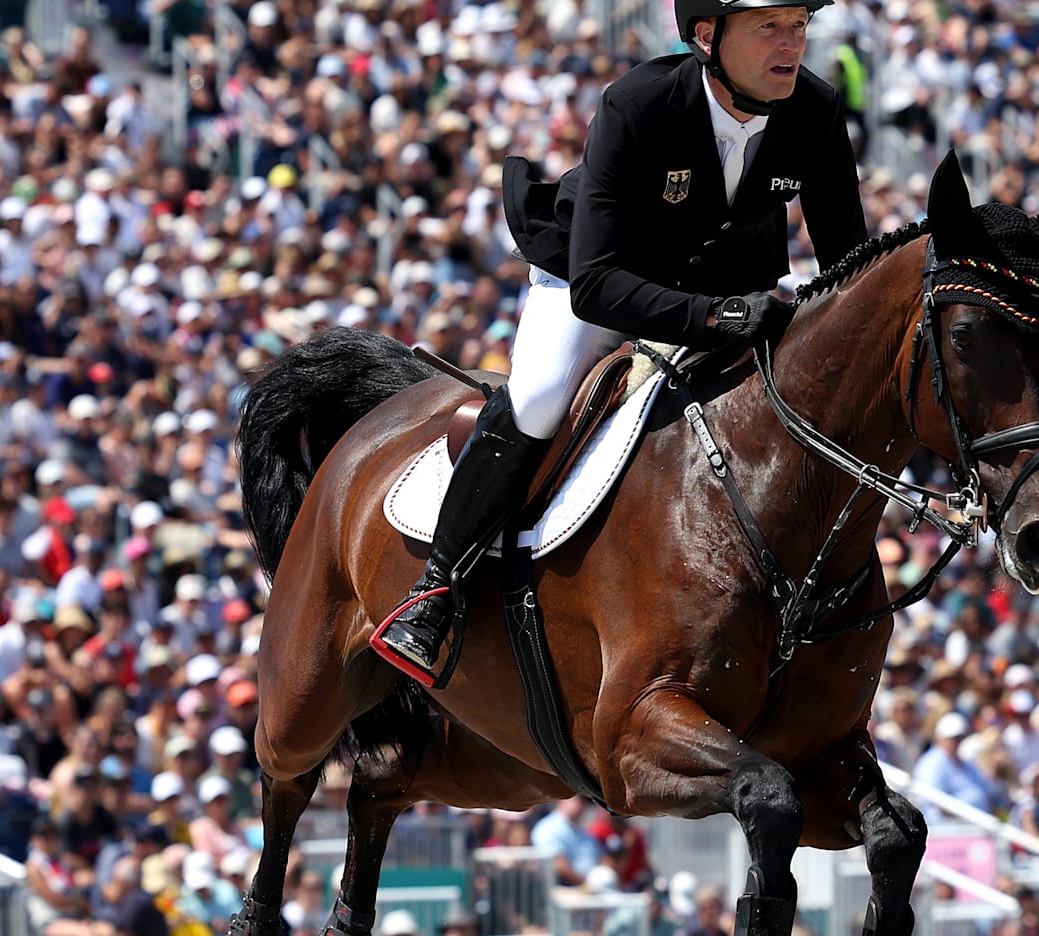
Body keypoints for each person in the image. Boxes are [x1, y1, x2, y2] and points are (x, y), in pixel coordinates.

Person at [372, 0, 868, 679]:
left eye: (799, 26)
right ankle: (435, 590)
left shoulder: (813, 108)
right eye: (769, 27)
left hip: (726, 291)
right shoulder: (638, 104)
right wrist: (716, 318)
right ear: (706, 36)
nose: (792, 44)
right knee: (542, 397)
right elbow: (597, 284)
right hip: (602, 283)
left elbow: (849, 267)